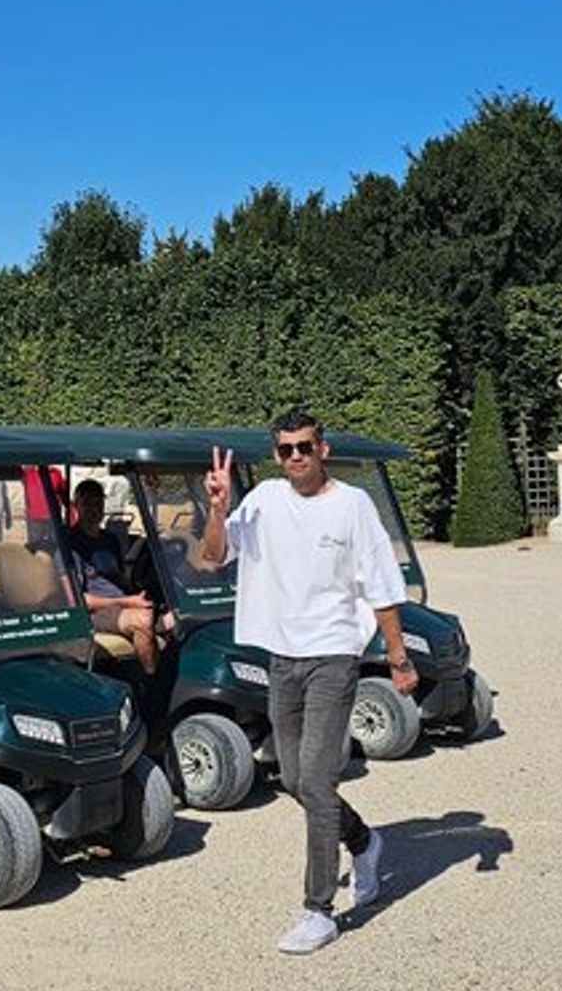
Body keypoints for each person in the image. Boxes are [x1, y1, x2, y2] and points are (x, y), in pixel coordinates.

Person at [200, 409, 415, 955]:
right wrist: (217, 508)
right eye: (285, 449)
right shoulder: (265, 500)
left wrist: (398, 657)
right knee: (295, 779)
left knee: (317, 782)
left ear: (323, 449)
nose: (295, 456)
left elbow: (381, 585)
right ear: (277, 456)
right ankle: (364, 842)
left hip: (333, 657)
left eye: (304, 446)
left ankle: (318, 910)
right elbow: (212, 556)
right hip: (283, 659)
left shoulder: (353, 505)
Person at [70, 478, 163, 674]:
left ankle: (171, 676)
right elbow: (80, 600)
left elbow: (120, 580)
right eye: (87, 504)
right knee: (143, 620)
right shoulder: (70, 544)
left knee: (175, 616)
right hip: (93, 613)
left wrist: (138, 597)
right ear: (75, 506)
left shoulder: (109, 540)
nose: (94, 510)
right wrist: (128, 602)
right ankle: (154, 683)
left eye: (98, 503)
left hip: (121, 605)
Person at [21, 465, 67, 548]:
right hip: (35, 518)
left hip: (52, 518)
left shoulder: (56, 473)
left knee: (55, 546)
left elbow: (63, 494)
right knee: (35, 547)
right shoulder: (27, 472)